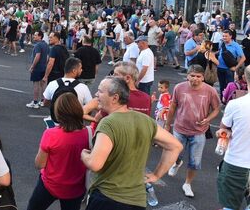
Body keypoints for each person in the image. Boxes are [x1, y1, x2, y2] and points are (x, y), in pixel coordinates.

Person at [81, 77, 183, 210]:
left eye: (100, 92)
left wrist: (84, 155)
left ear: (115, 98)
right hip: (137, 201)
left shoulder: (108, 123)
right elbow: (176, 146)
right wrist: (156, 175)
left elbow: (95, 164)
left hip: (107, 198)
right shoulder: (145, 120)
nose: (96, 94)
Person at [164, 64, 221, 198]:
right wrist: (167, 125)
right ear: (188, 76)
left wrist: (208, 119)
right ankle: (177, 163)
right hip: (179, 128)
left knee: (195, 162)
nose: (195, 79)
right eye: (192, 75)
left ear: (203, 77)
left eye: (198, 76)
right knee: (174, 154)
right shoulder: (179, 87)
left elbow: (217, 109)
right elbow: (172, 107)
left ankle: (187, 184)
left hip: (199, 131)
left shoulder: (210, 91)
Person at [27, 92, 90, 210]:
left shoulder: (51, 134)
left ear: (58, 113)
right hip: (75, 188)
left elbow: (39, 164)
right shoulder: (88, 133)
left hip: (50, 185)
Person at [216, 65, 250, 210]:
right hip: (238, 164)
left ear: (245, 78)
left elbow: (223, 129)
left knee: (230, 207)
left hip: (236, 163)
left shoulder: (235, 105)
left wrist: (224, 132)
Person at [217, 29, 245, 96]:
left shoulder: (236, 45)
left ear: (231, 36)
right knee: (222, 86)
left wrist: (236, 68)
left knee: (230, 87)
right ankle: (223, 101)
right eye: (223, 36)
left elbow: (243, 58)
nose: (224, 37)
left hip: (229, 69)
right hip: (220, 68)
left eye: (226, 36)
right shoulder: (221, 43)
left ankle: (229, 102)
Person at [27, 31, 49, 108]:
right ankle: (42, 101)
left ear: (40, 36)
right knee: (43, 85)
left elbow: (37, 56)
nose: (34, 36)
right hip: (43, 67)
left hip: (37, 68)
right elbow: (47, 57)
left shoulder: (38, 45)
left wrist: (32, 67)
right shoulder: (45, 44)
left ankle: (35, 102)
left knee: (36, 85)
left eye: (35, 35)